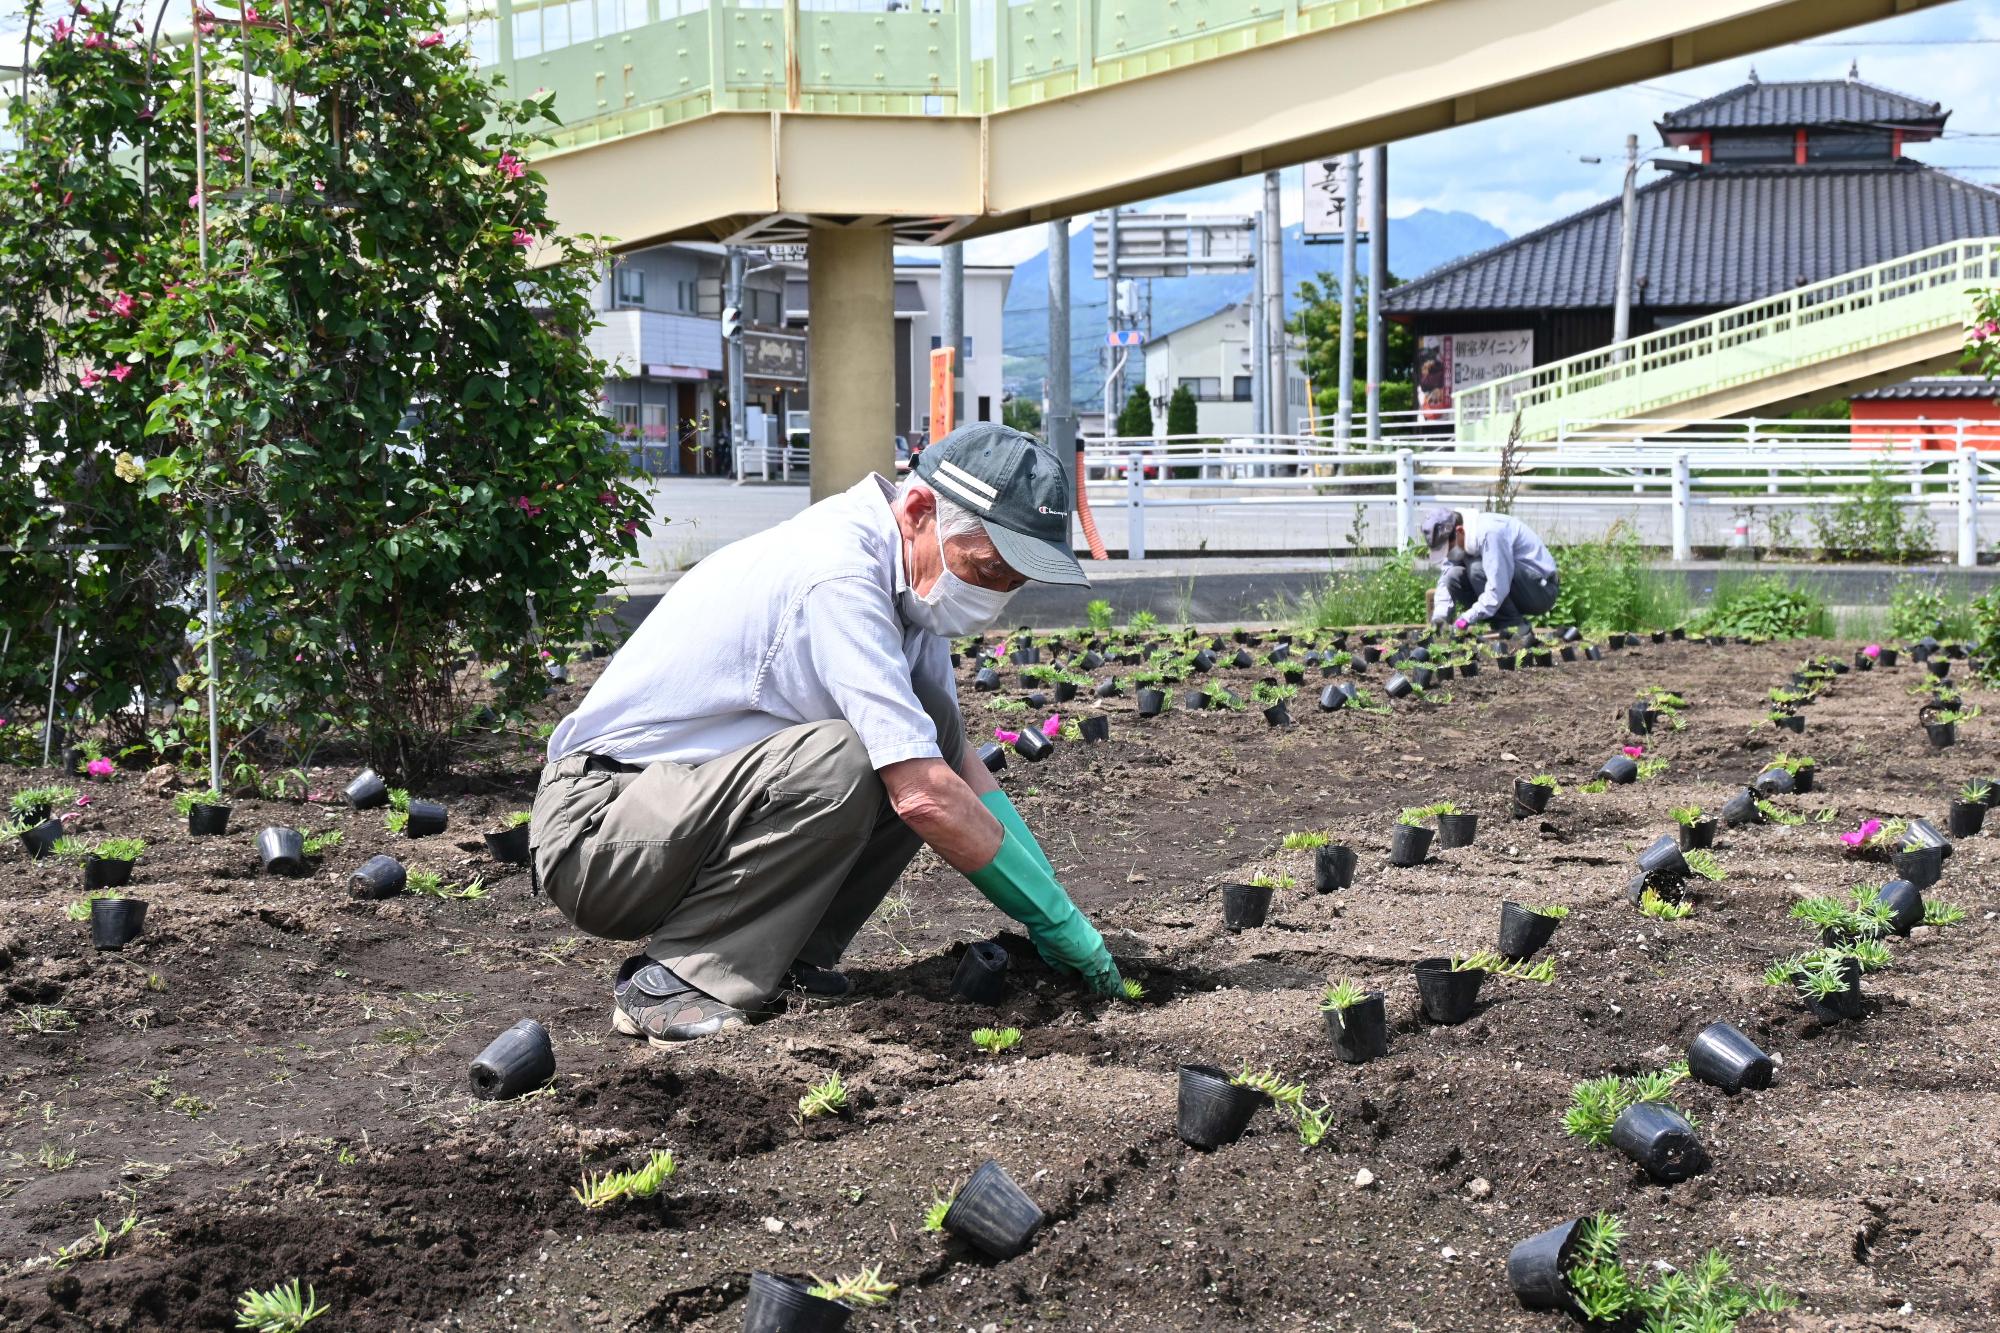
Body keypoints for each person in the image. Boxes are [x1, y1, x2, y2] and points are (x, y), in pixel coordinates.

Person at [532, 422, 1122, 1048]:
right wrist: (1053, 922)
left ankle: (779, 958)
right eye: (987, 571)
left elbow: (956, 773)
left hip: (679, 819)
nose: (994, 596)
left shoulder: (907, 590)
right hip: (600, 835)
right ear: (920, 511)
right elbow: (923, 794)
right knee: (859, 760)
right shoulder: (839, 574)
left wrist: (1059, 910)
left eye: (1012, 584)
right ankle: (680, 980)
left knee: (924, 740)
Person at [1418, 505, 1560, 636]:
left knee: (1476, 568)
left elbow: (1498, 588)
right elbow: (1446, 577)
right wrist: (1440, 616)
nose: (1448, 554)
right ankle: (1502, 624)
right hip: (1516, 585)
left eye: (1448, 549)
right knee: (1453, 576)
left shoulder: (1490, 533)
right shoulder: (1458, 537)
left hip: (1541, 590)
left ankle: (1514, 626)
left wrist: (1466, 619)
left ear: (1459, 531)